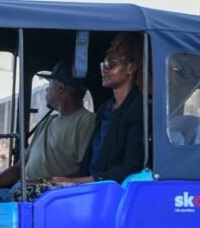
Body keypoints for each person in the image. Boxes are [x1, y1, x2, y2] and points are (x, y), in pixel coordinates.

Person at [0, 60, 95, 203]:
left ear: (61, 87)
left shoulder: (86, 121)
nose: (46, 90)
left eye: (49, 85)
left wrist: (43, 182)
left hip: (47, 197)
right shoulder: (48, 121)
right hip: (19, 190)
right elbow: (19, 168)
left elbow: (84, 173)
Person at [54, 32, 145, 184]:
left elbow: (131, 167)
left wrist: (78, 182)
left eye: (111, 64)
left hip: (113, 190)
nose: (104, 69)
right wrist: (67, 181)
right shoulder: (105, 108)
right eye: (103, 64)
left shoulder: (139, 109)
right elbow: (91, 160)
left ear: (131, 67)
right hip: (94, 185)